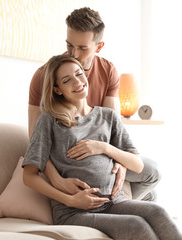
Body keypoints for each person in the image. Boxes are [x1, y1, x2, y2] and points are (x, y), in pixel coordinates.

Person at [23, 55, 182, 240]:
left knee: (158, 212)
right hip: (74, 211)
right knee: (136, 226)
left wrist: (104, 147)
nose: (77, 82)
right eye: (67, 80)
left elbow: (137, 165)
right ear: (57, 89)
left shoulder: (108, 117)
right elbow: (29, 176)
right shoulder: (49, 120)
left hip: (113, 202)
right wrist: (70, 199)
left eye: (79, 74)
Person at [28, 7, 160, 204]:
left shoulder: (108, 70)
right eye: (69, 45)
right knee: (150, 197)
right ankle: (124, 206)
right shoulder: (44, 76)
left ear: (98, 47)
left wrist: (121, 162)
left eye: (82, 48)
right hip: (69, 160)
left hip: (101, 153)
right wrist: (57, 180)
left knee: (152, 173)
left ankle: (123, 203)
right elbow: (34, 137)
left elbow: (115, 129)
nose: (73, 53)